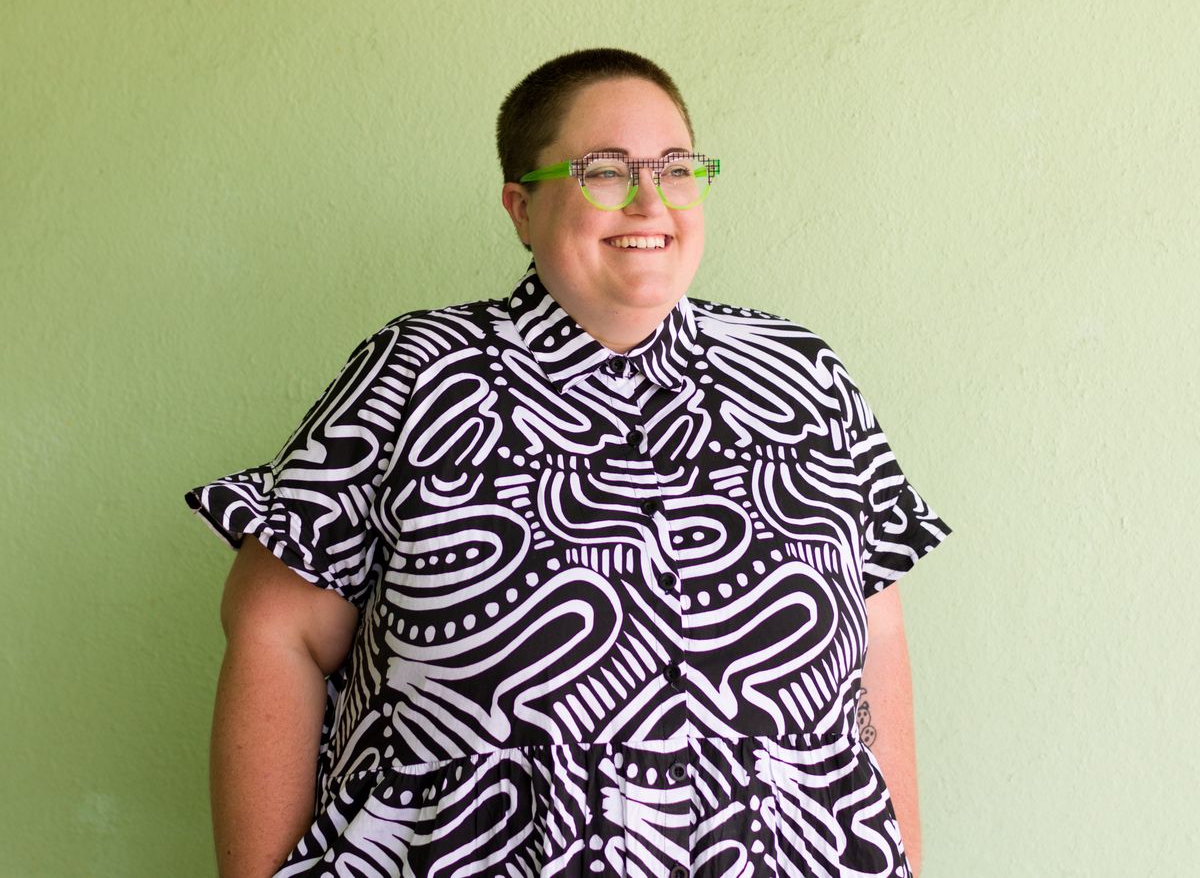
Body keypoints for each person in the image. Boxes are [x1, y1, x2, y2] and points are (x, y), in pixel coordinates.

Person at [188, 48, 951, 878]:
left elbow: (877, 636)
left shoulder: (802, 376)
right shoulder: (416, 373)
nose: (651, 201)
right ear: (522, 207)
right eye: (605, 172)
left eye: (676, 168)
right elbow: (275, 630)